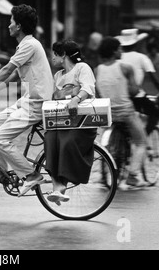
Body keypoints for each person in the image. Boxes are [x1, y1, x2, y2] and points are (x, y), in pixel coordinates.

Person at [0, 4, 54, 197]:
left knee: (1, 138)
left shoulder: (29, 45)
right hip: (27, 101)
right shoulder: (26, 44)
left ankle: (31, 175)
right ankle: (0, 171)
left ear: (19, 26)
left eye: (11, 22)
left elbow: (7, 69)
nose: (9, 25)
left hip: (36, 104)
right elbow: (14, 75)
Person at [44, 39, 97, 205]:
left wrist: (76, 99)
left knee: (67, 142)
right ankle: (56, 187)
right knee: (50, 139)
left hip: (82, 122)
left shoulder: (82, 68)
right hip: (62, 122)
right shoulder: (57, 76)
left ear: (63, 55)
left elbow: (88, 88)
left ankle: (62, 185)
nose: (52, 58)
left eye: (55, 54)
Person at [95, 36, 147, 188]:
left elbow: (98, 93)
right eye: (119, 48)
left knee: (104, 145)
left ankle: (103, 172)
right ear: (113, 51)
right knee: (141, 141)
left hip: (108, 115)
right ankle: (133, 175)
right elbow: (134, 90)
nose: (121, 51)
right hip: (126, 113)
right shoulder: (126, 68)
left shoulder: (97, 70)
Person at [116, 28, 159, 136]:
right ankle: (144, 137)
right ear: (137, 43)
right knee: (156, 112)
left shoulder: (116, 57)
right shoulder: (142, 58)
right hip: (135, 97)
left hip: (117, 96)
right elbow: (155, 79)